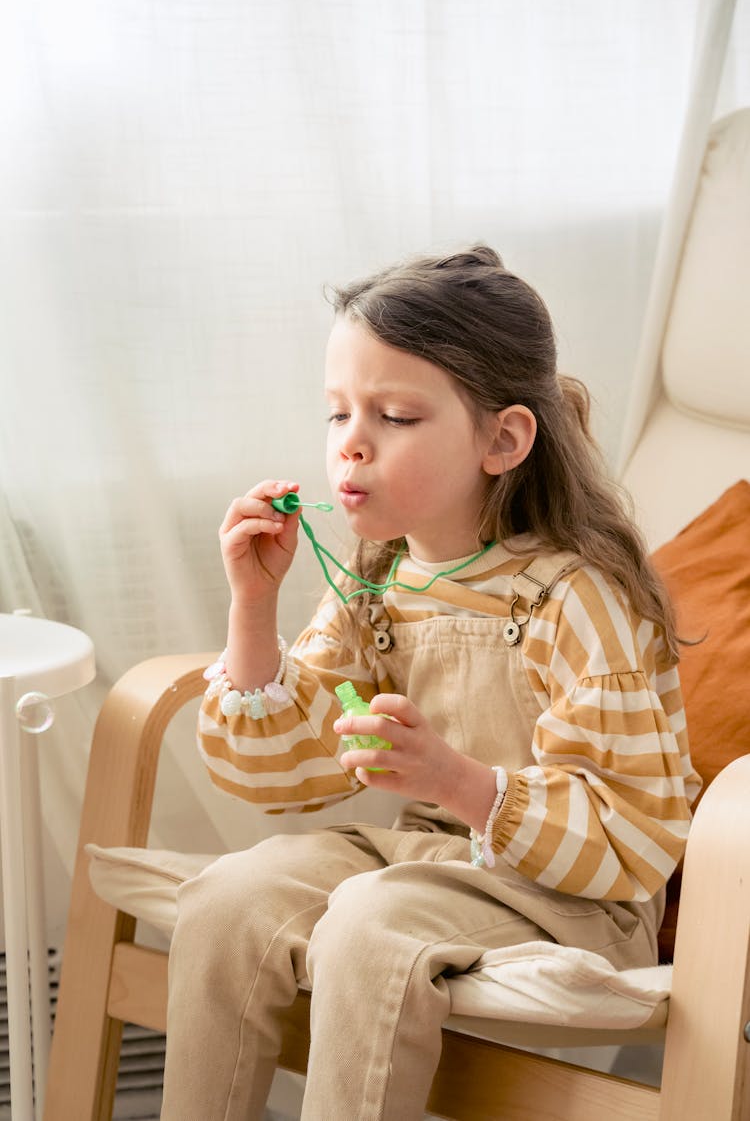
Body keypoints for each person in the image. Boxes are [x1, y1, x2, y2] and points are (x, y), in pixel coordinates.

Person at [160, 245, 699, 1121]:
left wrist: (454, 780)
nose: (353, 444)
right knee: (229, 896)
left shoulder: (580, 599)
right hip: (434, 868)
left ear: (504, 439)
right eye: (338, 414)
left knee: (371, 919)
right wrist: (251, 609)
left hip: (581, 902)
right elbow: (277, 776)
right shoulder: (376, 580)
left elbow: (635, 835)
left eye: (396, 415)